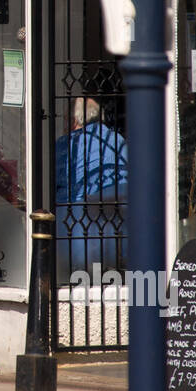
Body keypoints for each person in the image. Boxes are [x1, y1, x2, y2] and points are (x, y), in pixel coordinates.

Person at [54, 97, 128, 274]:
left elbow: (52, 182)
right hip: (114, 230)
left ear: (74, 120)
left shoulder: (65, 145)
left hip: (72, 231)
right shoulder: (118, 141)